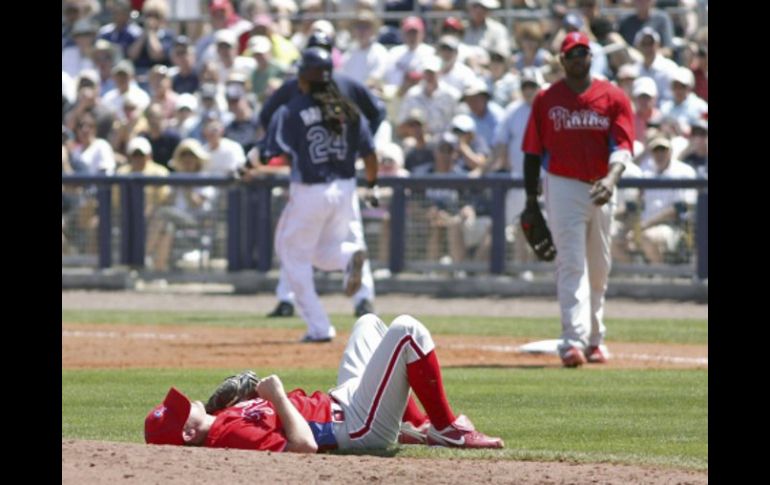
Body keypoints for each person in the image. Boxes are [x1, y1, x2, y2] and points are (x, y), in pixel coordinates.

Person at [145, 313, 504, 450]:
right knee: (407, 331)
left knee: (369, 324)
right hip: (355, 426)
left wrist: (241, 401)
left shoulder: (222, 418)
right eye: (181, 412)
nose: (186, 401)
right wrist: (278, 397)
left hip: (342, 402)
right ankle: (446, 428)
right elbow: (303, 447)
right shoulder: (228, 434)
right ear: (189, 435)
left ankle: (417, 425)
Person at [521, 32, 635, 368]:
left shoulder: (613, 96)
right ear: (562, 60)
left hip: (602, 183)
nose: (578, 59)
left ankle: (595, 338)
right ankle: (572, 340)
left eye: (583, 53)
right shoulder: (546, 99)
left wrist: (612, 178)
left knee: (599, 267)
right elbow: (531, 152)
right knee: (571, 262)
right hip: (563, 183)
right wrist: (531, 200)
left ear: (591, 57)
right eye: (572, 54)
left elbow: (624, 146)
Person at [258, 36, 385, 319]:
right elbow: (376, 117)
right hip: (345, 182)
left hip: (311, 184)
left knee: (295, 249)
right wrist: (350, 154)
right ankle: (362, 298)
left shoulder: (295, 94)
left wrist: (286, 149)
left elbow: (268, 119)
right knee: (343, 244)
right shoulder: (347, 89)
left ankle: (305, 313)